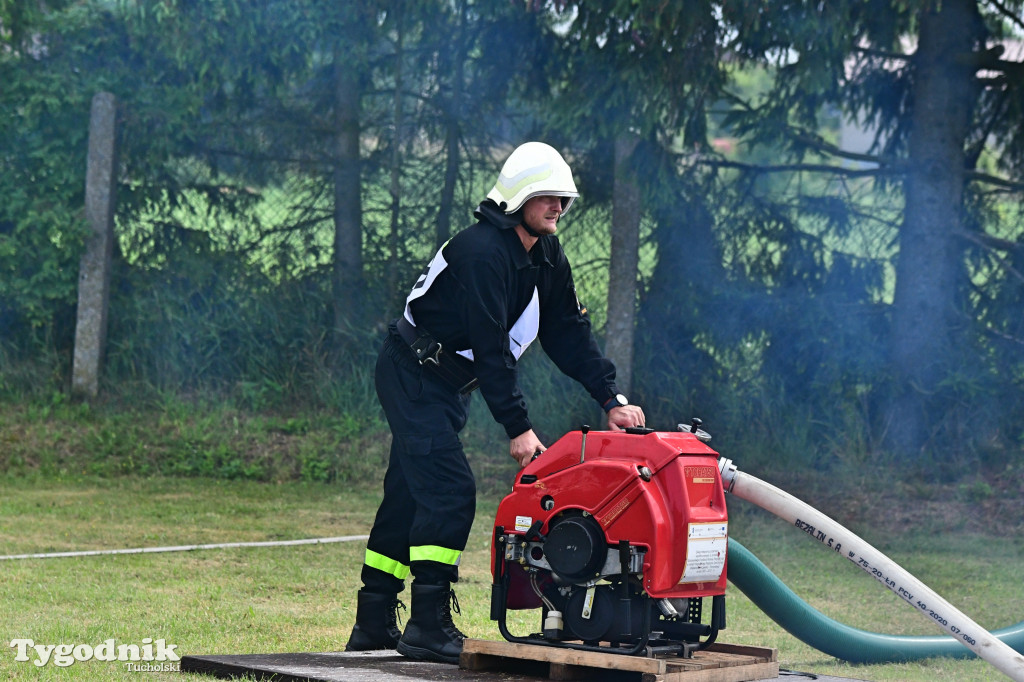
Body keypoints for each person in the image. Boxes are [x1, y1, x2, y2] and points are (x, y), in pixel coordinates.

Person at [345, 141, 646, 664]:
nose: (558, 207)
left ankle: (373, 619)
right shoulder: (484, 253)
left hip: (440, 382)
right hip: (412, 373)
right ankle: (425, 626)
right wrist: (518, 427)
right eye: (548, 197)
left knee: (408, 494)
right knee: (449, 490)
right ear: (519, 197)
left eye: (564, 199)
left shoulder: (546, 255)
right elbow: (491, 350)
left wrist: (610, 397)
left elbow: (568, 333)